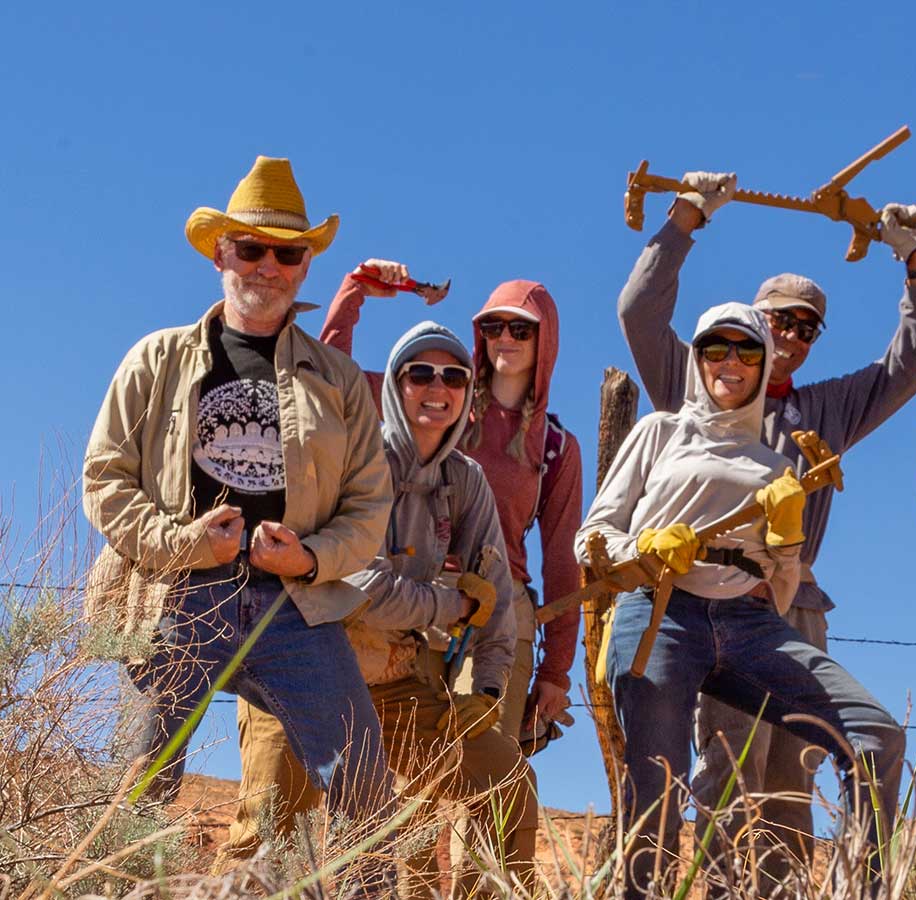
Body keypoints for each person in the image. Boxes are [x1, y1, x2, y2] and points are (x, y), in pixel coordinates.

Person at [82, 156, 394, 891]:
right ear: (221, 252)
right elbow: (104, 479)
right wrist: (183, 543)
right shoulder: (156, 359)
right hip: (174, 596)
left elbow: (369, 509)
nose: (268, 265)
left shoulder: (340, 381)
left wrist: (309, 559)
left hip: (295, 607)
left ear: (306, 264)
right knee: (140, 785)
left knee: (362, 788)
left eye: (287, 252)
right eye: (250, 248)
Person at [616, 170, 916, 876]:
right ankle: (724, 890)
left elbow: (910, 364)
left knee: (796, 771)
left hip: (792, 604)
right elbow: (640, 311)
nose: (788, 334)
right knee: (730, 765)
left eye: (804, 326)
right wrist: (685, 219)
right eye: (777, 319)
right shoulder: (696, 381)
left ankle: (788, 892)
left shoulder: (823, 411)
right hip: (698, 602)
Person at [577, 303, 906, 899]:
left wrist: (785, 545)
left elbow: (780, 593)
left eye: (747, 351)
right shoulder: (660, 432)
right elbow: (592, 536)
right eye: (715, 349)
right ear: (697, 359)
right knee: (659, 784)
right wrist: (641, 550)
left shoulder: (778, 467)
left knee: (875, 735)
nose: (731, 362)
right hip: (660, 613)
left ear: (762, 364)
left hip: (749, 623)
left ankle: (868, 889)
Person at [220, 321, 537, 895]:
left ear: (469, 392)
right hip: (298, 660)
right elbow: (366, 586)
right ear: (394, 383)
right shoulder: (352, 456)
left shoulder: (466, 482)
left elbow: (496, 597)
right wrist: (450, 605)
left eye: (453, 376)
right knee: (268, 842)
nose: (436, 387)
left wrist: (487, 692)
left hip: (393, 681)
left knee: (504, 780)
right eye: (419, 373)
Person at [318, 264, 585, 863]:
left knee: (486, 761)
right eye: (493, 327)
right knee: (414, 783)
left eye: (522, 329)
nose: (506, 341)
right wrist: (353, 292)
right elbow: (332, 376)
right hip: (414, 598)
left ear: (547, 341)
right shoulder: (439, 399)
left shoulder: (555, 447)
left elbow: (563, 560)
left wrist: (558, 672)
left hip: (500, 609)